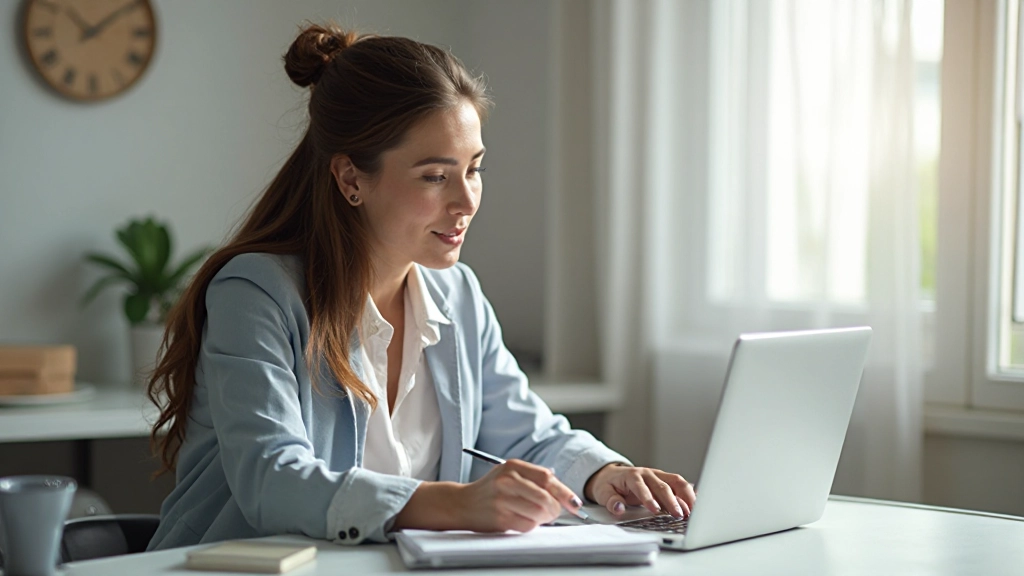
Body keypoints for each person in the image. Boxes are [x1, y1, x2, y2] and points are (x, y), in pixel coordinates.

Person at [145, 23, 696, 550]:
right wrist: (456, 505)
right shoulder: (257, 293)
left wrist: (606, 473)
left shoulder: (457, 295)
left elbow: (525, 434)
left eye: (473, 169)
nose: (466, 201)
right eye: (435, 176)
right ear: (350, 178)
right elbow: (273, 479)